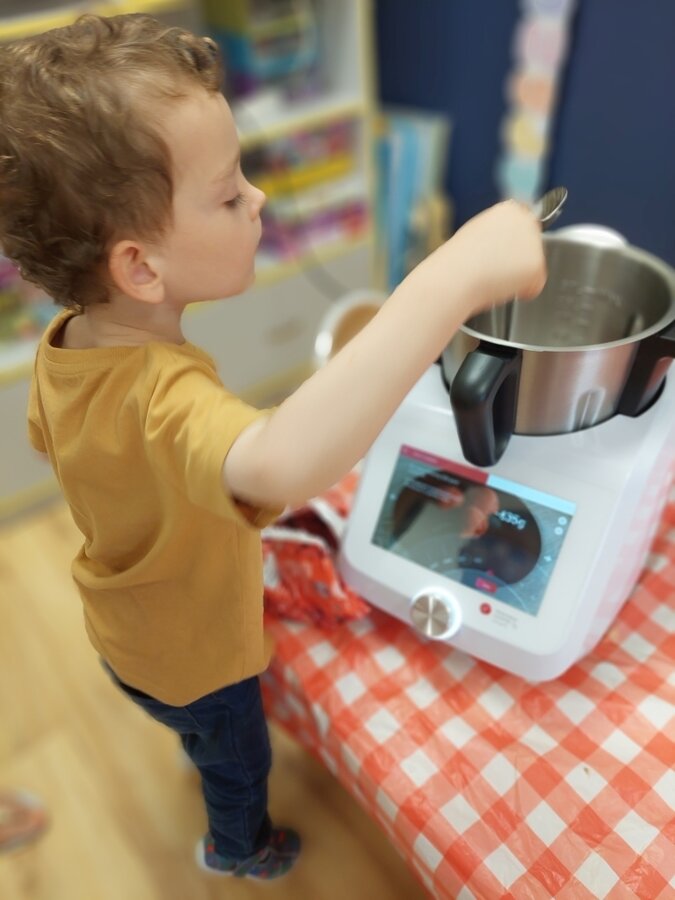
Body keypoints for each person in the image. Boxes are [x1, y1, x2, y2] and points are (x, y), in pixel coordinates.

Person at [0, 14, 546, 881]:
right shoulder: (163, 394)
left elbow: (56, 441)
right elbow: (281, 463)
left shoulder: (65, 344)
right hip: (197, 656)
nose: (257, 200)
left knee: (189, 724)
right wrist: (449, 278)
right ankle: (238, 846)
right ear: (139, 268)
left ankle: (193, 740)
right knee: (236, 761)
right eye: (228, 195)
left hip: (122, 631)